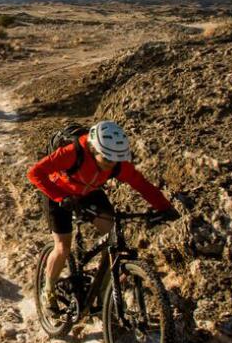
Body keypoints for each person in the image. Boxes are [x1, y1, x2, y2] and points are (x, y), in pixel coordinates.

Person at [27, 121, 179, 311]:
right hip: (57, 192)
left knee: (114, 236)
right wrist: (61, 197)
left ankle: (103, 292)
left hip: (88, 192)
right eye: (106, 160)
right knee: (63, 247)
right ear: (93, 148)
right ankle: (48, 291)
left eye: (114, 161)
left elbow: (141, 184)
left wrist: (165, 208)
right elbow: (35, 173)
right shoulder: (73, 153)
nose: (110, 165)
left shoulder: (115, 163)